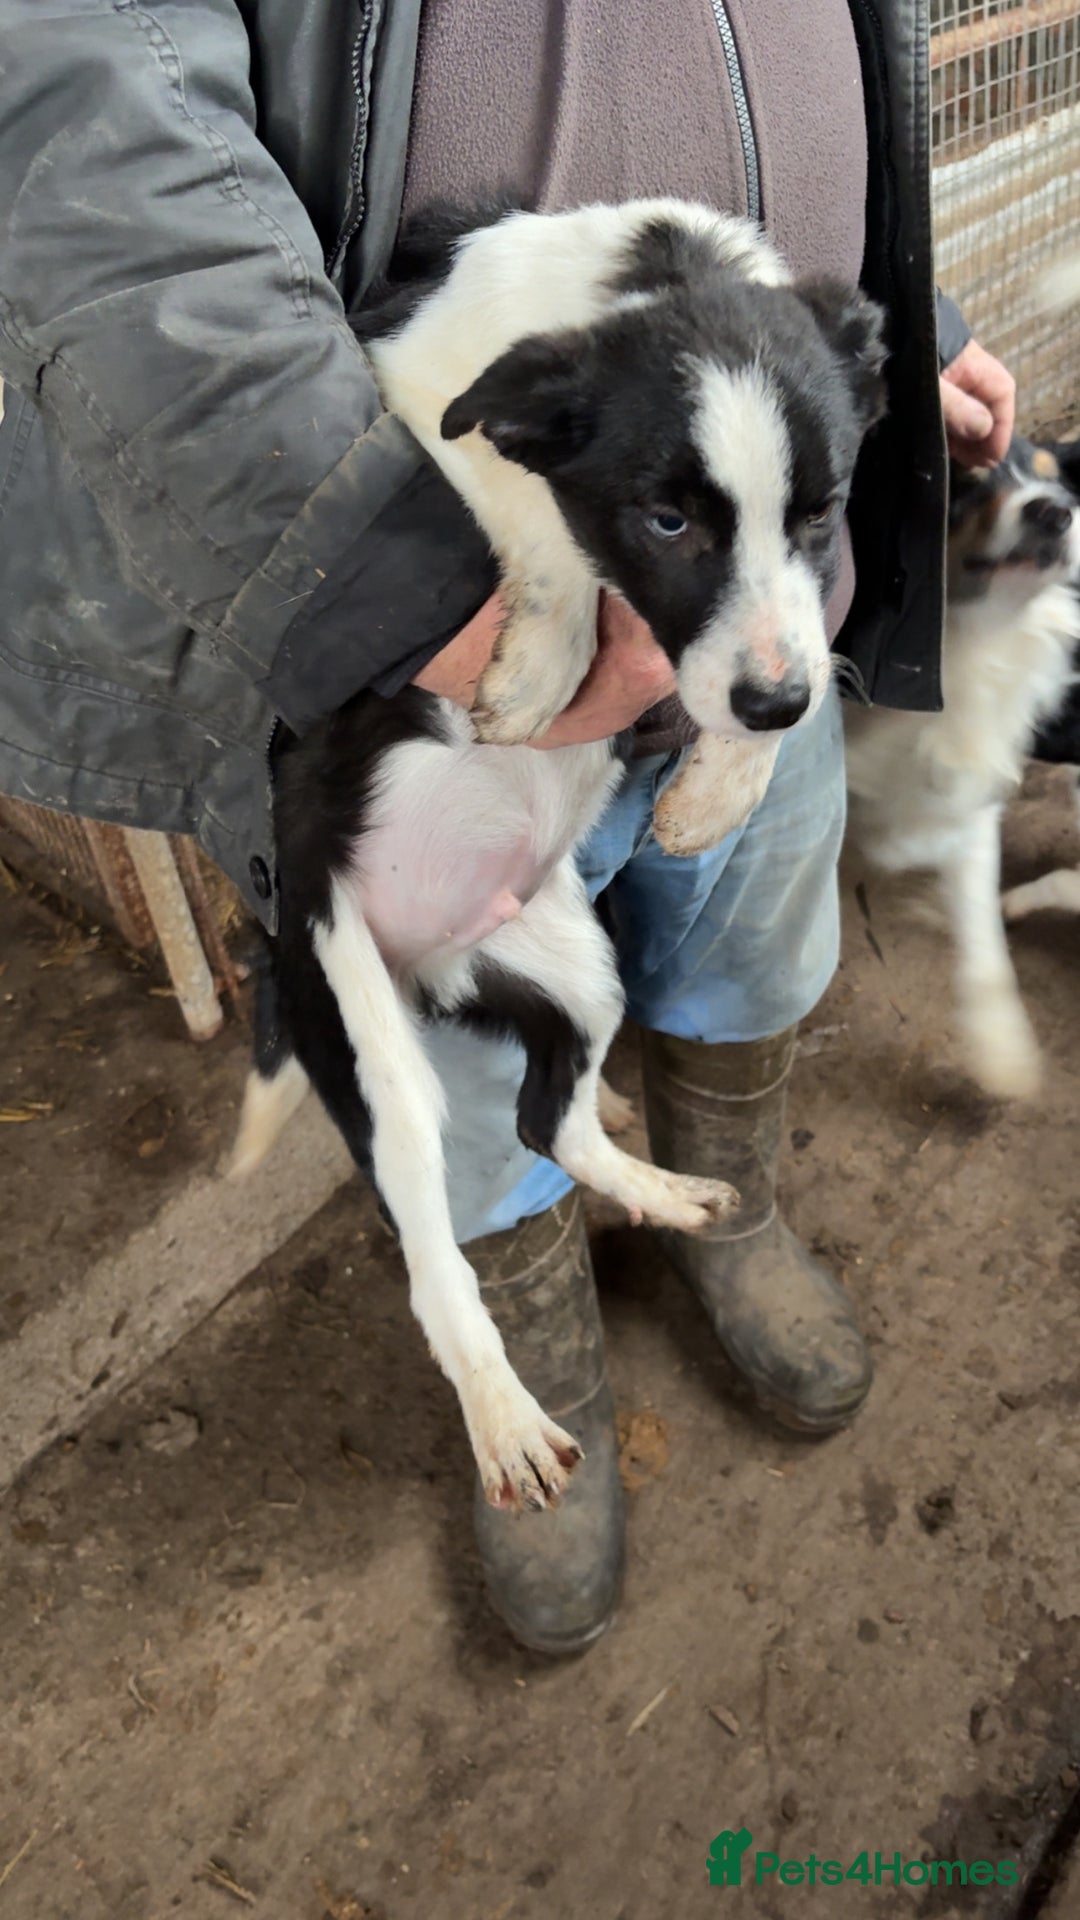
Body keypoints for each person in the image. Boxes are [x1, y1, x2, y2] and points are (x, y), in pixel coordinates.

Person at [0, 2, 1014, 1654]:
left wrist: (898, 317)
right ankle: (533, 1361)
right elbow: (79, 97)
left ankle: (725, 1201)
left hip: (754, 590)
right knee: (463, 1045)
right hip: (444, 650)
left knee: (754, 934)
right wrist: (381, 586)